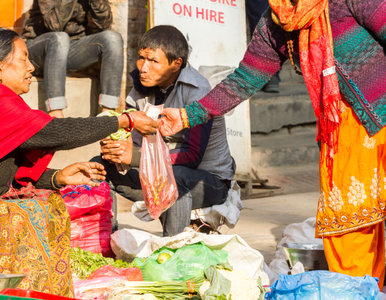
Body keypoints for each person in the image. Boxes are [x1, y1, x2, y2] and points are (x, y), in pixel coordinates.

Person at [160, 0, 385, 287]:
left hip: (381, 116)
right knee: (349, 227)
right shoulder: (276, 20)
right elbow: (245, 79)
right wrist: (187, 115)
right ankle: (360, 291)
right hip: (341, 134)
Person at [0, 27, 157, 296]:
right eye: (24, 59)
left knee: (49, 204)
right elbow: (52, 132)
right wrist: (123, 120)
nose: (31, 67)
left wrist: (57, 177)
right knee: (35, 218)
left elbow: (0, 166)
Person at [94, 25, 235, 236]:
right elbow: (134, 141)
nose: (143, 67)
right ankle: (106, 243)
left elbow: (192, 156)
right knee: (99, 166)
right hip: (157, 171)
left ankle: (172, 249)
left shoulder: (198, 93)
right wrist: (116, 149)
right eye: (142, 58)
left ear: (176, 64)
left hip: (208, 181)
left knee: (173, 178)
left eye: (154, 61)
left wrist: (134, 157)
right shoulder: (141, 86)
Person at [22, 0, 124, 118]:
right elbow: (55, 25)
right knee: (60, 38)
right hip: (39, 50)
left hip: (70, 51)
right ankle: (56, 114)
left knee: (112, 38)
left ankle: (108, 114)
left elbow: (103, 26)